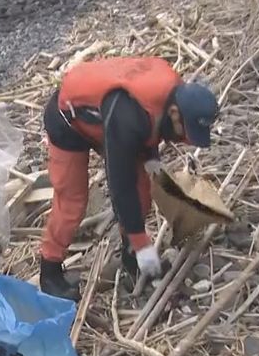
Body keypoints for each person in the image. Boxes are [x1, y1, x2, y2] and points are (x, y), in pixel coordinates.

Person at [38, 56, 220, 301]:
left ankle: (130, 257)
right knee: (72, 200)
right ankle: (49, 270)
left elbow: (154, 128)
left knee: (142, 189)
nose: (183, 140)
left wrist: (151, 156)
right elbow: (119, 184)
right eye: (185, 133)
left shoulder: (170, 97)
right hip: (68, 122)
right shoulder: (130, 116)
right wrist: (142, 242)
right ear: (175, 113)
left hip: (106, 120)